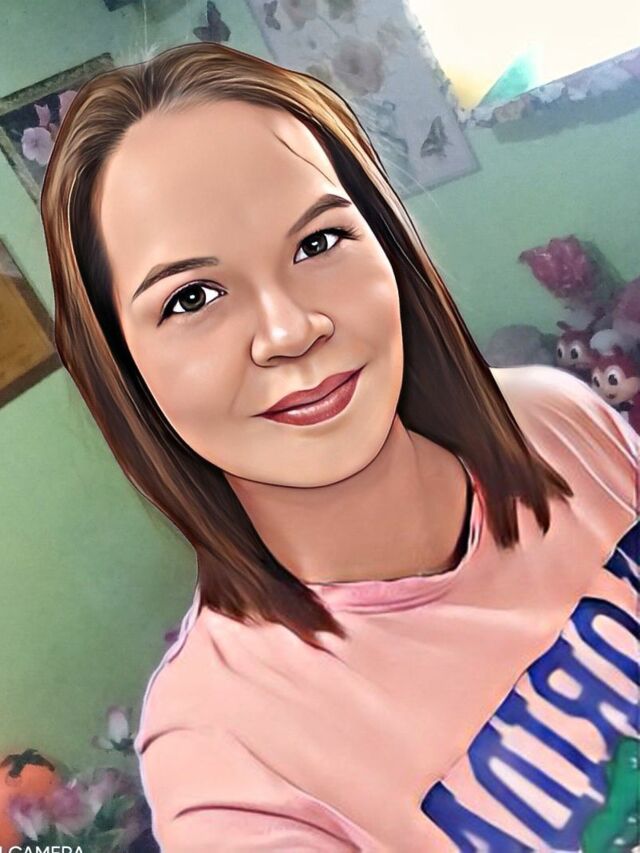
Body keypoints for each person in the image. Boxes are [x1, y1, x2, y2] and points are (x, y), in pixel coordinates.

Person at [39, 42, 638, 852]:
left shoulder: (551, 417)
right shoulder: (223, 762)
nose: (290, 330)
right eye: (193, 296)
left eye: (317, 243)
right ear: (123, 369)